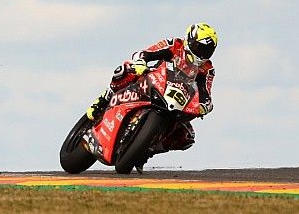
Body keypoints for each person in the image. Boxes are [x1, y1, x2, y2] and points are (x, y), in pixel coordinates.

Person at [85, 22, 218, 156]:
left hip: (177, 102)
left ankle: (147, 151)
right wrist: (141, 62)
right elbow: (147, 52)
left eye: (207, 50)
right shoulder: (175, 45)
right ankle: (104, 98)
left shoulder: (207, 69)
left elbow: (206, 92)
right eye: (199, 47)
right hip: (155, 81)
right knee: (125, 70)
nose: (202, 53)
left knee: (186, 137)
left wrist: (205, 106)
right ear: (189, 40)